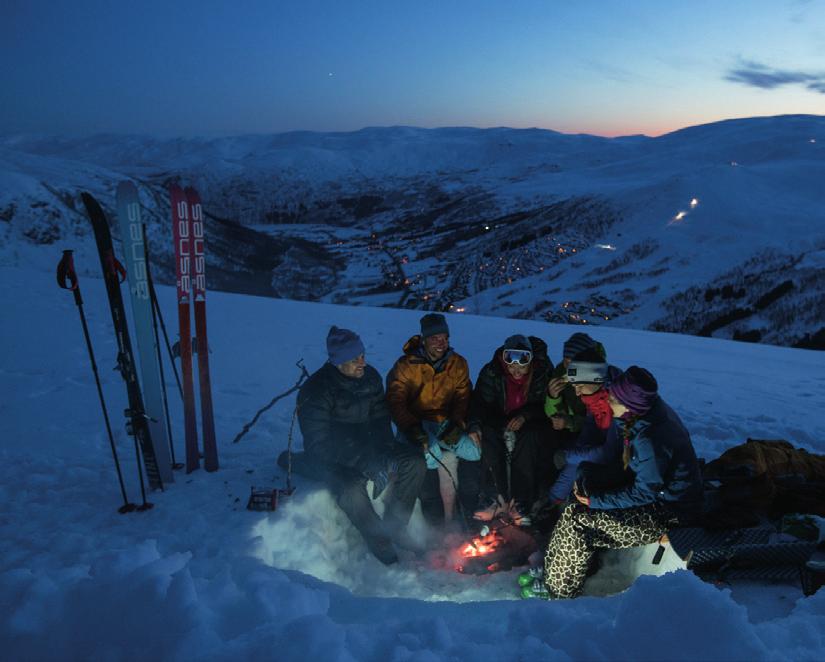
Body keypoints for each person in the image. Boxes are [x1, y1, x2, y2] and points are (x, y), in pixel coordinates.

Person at [521, 366, 703, 599]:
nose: (608, 400)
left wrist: (597, 500)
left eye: (614, 398)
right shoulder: (640, 415)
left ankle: (559, 590)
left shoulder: (650, 437)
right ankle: (557, 569)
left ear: (629, 403)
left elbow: (645, 492)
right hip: (654, 495)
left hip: (670, 513)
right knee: (582, 482)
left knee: (579, 520)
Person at [297, 326, 426, 565]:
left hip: (369, 447)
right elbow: (319, 444)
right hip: (332, 457)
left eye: (363, 355)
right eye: (355, 358)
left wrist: (385, 451)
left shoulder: (370, 378)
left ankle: (396, 526)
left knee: (415, 462)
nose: (362, 363)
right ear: (338, 361)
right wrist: (365, 460)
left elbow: (380, 420)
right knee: (350, 489)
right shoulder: (316, 390)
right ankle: (379, 539)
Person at [386, 313, 480, 527]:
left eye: (445, 338)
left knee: (473, 452)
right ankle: (434, 514)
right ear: (424, 338)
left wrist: (457, 424)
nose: (441, 343)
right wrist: (411, 428)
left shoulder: (457, 364)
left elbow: (463, 397)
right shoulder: (407, 365)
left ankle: (465, 510)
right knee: (432, 453)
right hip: (416, 423)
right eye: (435, 338)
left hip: (445, 423)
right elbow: (395, 400)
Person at [468, 334, 554, 517]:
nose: (516, 368)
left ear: (530, 361)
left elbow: (545, 406)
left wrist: (525, 416)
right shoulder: (492, 371)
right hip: (499, 417)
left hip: (530, 420)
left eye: (522, 363)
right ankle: (494, 497)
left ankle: (521, 500)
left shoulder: (541, 372)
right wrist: (474, 424)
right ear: (504, 359)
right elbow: (480, 403)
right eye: (511, 362)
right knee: (488, 434)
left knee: (530, 438)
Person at [546, 349, 624, 506]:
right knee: (577, 456)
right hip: (608, 457)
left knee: (582, 466)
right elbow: (587, 438)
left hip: (627, 466)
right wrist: (554, 498)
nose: (577, 392)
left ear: (595, 379)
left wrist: (569, 455)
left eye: (579, 385)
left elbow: (609, 454)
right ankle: (555, 501)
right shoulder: (594, 397)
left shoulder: (619, 403)